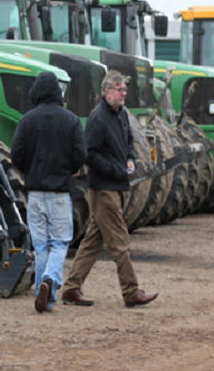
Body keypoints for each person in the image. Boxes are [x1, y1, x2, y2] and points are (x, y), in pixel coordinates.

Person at [61, 70, 159, 308]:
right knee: (119, 240)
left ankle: (71, 288)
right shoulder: (97, 118)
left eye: (124, 89)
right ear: (107, 92)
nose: (124, 93)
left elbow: (128, 143)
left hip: (116, 186)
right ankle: (131, 291)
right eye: (119, 89)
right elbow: (89, 154)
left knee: (93, 240)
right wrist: (115, 170)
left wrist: (130, 159)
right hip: (103, 189)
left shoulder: (121, 115)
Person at [11, 71, 86, 314]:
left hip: (34, 194)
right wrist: (67, 171)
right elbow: (80, 156)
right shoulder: (72, 120)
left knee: (41, 246)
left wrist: (30, 171)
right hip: (59, 194)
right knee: (61, 242)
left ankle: (45, 298)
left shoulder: (27, 120)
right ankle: (49, 281)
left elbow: (16, 155)